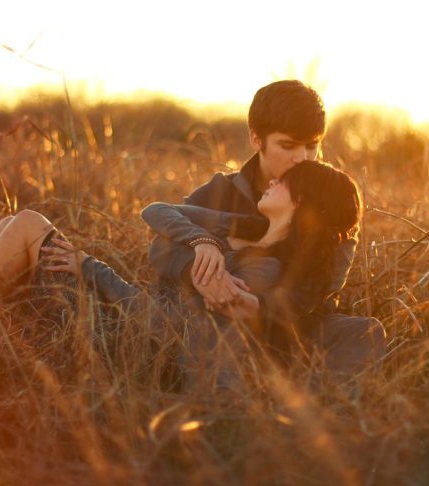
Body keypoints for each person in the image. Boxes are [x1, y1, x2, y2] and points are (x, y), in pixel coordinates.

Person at [0, 161, 372, 387]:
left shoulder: (261, 269)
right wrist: (202, 241)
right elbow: (157, 211)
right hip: (118, 314)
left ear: (302, 203)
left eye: (286, 182)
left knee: (30, 226)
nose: (273, 182)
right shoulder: (243, 232)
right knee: (16, 224)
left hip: (116, 340)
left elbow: (168, 327)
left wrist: (90, 268)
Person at [148, 80, 385, 376]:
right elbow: (162, 245)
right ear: (256, 139)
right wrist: (203, 267)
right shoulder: (221, 191)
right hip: (216, 321)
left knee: (363, 332)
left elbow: (322, 289)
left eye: (312, 145)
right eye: (287, 145)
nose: (301, 157)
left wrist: (255, 303)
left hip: (292, 328)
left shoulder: (331, 199)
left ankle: (318, 409)